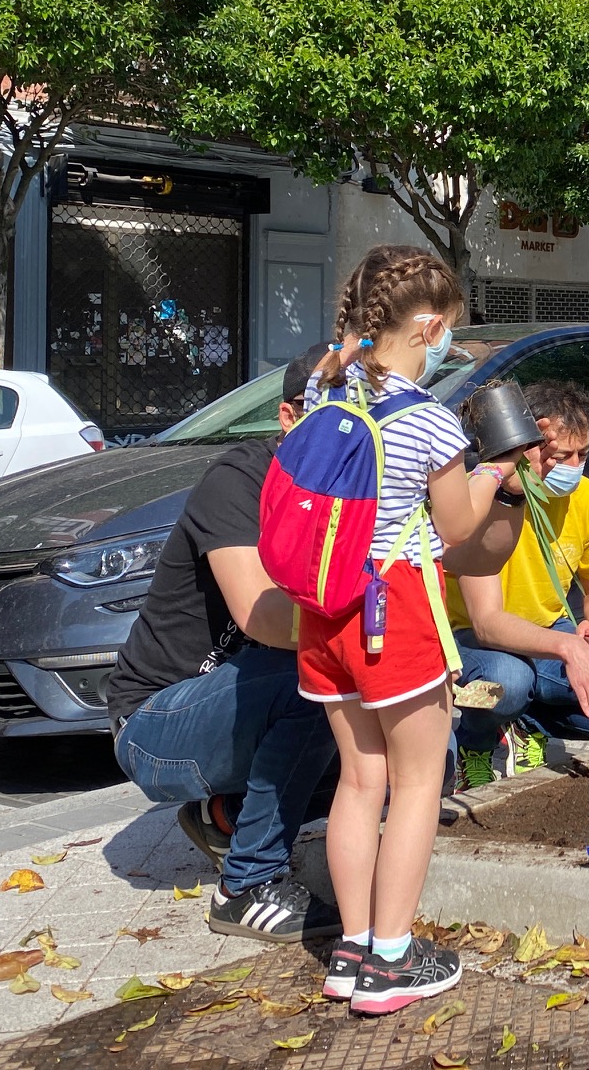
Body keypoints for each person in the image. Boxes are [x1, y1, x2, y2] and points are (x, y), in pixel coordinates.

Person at [298, 246, 531, 1016]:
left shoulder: (324, 391)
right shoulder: (428, 420)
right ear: (429, 327)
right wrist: (493, 472)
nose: (448, 345)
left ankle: (352, 950)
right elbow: (458, 527)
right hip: (392, 606)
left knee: (358, 780)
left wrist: (353, 346)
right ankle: (392, 961)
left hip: (325, 606)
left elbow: (339, 363)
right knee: (418, 783)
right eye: (448, 331)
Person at [107, 343, 340, 944]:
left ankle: (226, 818)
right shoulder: (241, 479)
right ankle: (247, 887)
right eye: (331, 410)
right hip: (155, 720)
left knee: (408, 752)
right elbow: (261, 615)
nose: (348, 428)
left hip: (240, 703)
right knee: (324, 682)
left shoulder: (345, 493)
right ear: (289, 416)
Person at [445, 380, 589, 785]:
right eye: (561, 456)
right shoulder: (483, 494)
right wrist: (569, 648)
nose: (574, 466)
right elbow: (487, 624)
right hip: (472, 639)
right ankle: (475, 741)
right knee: (509, 683)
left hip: (548, 629)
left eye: (583, 454)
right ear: (526, 447)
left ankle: (527, 723)